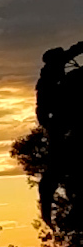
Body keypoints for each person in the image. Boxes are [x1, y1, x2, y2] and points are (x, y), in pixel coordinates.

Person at [37, 42, 83, 224]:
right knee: (57, 168)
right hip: (62, 123)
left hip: (59, 123)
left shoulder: (52, 75)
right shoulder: (51, 78)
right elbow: (42, 110)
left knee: (56, 168)